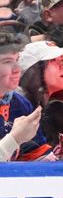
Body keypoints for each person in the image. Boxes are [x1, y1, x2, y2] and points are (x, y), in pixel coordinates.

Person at [0, 32, 42, 161]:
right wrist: (14, 139)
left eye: (17, 60)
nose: (17, 69)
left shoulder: (21, 103)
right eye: (7, 62)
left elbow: (35, 152)